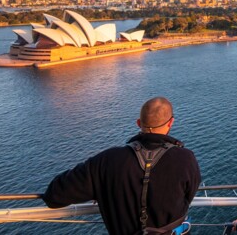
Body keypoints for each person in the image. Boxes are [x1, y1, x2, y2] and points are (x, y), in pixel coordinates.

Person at [42, 97, 202, 235]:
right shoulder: (186, 159)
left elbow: (54, 196)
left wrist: (101, 189)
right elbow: (188, 198)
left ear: (139, 123)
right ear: (171, 123)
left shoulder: (106, 161)